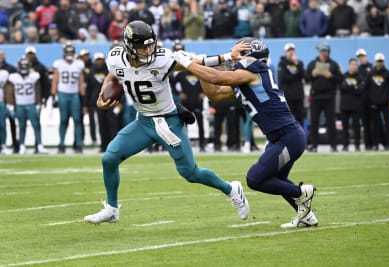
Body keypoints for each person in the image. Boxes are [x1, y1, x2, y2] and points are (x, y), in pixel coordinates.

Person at [84, 20, 249, 224]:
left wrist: (227, 57)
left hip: (168, 122)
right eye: (143, 46)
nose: (148, 49)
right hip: (143, 122)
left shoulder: (162, 59)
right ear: (128, 47)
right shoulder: (115, 58)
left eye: (150, 44)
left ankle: (231, 189)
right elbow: (114, 73)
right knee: (109, 158)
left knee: (190, 173)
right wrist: (104, 90)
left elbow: (195, 61)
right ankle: (112, 208)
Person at [173, 37, 317, 228]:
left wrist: (190, 63)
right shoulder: (248, 78)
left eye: (239, 54)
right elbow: (214, 93)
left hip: (287, 136)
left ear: (251, 57)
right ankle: (307, 217)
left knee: (255, 179)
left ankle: (301, 193)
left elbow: (217, 77)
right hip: (281, 137)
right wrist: (199, 68)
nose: (234, 58)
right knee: (277, 179)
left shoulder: (253, 71)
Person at [306, 42, 343, 152]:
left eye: (324, 51)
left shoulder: (334, 64)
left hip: (329, 97)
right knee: (314, 122)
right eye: (321, 51)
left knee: (331, 122)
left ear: (328, 51)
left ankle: (333, 145)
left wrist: (331, 76)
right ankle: (314, 145)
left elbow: (340, 79)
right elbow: (306, 78)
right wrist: (312, 75)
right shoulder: (312, 64)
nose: (323, 53)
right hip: (316, 96)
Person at [5, 57, 47, 154]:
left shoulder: (34, 76)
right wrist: (10, 104)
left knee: (36, 125)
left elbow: (37, 90)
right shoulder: (13, 77)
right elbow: (10, 92)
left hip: (31, 103)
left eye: (25, 66)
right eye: (22, 66)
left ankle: (40, 145)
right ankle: (22, 145)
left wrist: (38, 103)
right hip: (20, 104)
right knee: (22, 126)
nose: (24, 68)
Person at [51, 43, 86, 153]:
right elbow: (55, 80)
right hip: (63, 94)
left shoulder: (79, 64)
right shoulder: (59, 64)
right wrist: (54, 96)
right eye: (68, 52)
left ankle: (79, 144)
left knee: (77, 120)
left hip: (74, 95)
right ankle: (61, 144)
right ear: (64, 53)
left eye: (71, 52)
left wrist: (83, 99)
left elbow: (81, 82)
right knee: (63, 120)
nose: (69, 54)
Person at [365, 53, 389, 150]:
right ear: (375, 62)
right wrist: (371, 100)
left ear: (383, 62)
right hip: (374, 103)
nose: (379, 63)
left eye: (381, 61)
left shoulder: (388, 74)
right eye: (378, 61)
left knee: (388, 123)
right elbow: (367, 89)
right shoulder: (370, 74)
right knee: (375, 125)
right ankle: (376, 144)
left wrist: (387, 99)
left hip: (385, 103)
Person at [278, 43, 305, 127]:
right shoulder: (282, 63)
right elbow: (283, 78)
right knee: (289, 119)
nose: (291, 53)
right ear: (285, 52)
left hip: (298, 96)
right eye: (289, 51)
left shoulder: (299, 63)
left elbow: (305, 76)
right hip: (288, 96)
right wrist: (296, 75)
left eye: (292, 50)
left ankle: (301, 138)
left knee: (300, 119)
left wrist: (297, 65)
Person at [339, 58, 363, 151]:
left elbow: (360, 90)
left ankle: (357, 145)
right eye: (351, 64)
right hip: (345, 106)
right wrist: (354, 87)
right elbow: (342, 87)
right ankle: (345, 145)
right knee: (345, 127)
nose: (353, 66)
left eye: (355, 64)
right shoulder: (344, 75)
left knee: (356, 126)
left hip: (356, 106)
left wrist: (348, 87)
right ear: (349, 65)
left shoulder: (360, 77)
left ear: (357, 66)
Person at [356, 48, 373, 150]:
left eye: (362, 56)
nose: (361, 59)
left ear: (366, 57)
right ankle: (368, 144)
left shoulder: (372, 68)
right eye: (359, 57)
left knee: (374, 123)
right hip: (362, 100)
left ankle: (376, 143)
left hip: (372, 99)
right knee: (365, 124)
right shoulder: (358, 70)